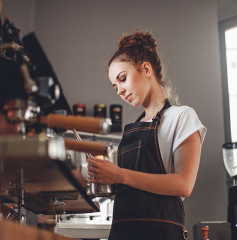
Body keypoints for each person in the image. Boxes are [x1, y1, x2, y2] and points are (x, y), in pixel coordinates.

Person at [87, 30, 206, 240]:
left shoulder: (182, 117)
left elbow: (184, 185)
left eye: (122, 79)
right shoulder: (132, 129)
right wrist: (104, 178)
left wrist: (120, 175)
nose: (120, 91)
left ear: (146, 69)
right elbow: (130, 187)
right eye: (115, 87)